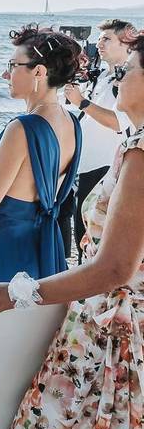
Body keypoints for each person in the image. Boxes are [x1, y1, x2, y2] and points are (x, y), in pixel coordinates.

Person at [0, 32, 144, 429]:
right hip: (107, 314)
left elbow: (116, 268)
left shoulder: (143, 153)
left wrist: (18, 293)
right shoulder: (128, 142)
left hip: (113, 333)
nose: (118, 77)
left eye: (128, 70)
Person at [0, 26, 82, 364]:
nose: (5, 73)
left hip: (0, 252)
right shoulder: (72, 124)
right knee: (23, 359)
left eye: (13, 65)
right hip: (42, 250)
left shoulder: (21, 128)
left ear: (38, 72)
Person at [63, 19, 136, 262]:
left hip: (105, 168)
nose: (99, 44)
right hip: (86, 166)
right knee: (82, 237)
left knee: (93, 240)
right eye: (99, 38)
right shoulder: (105, 75)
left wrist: (81, 102)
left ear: (126, 44)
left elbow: (119, 122)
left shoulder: (127, 81)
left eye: (107, 39)